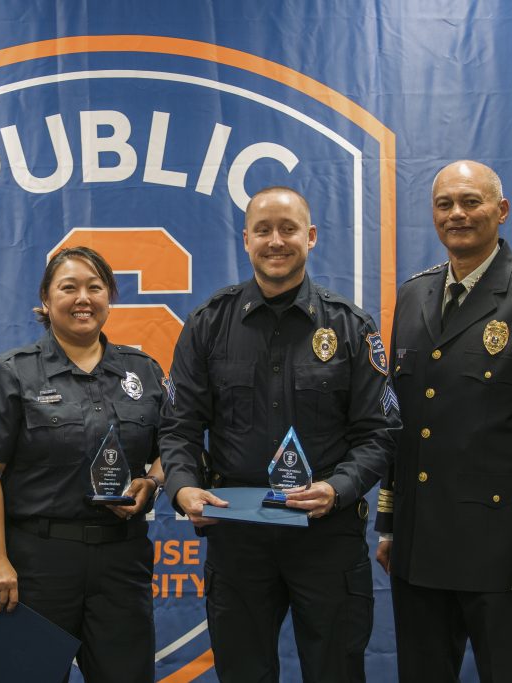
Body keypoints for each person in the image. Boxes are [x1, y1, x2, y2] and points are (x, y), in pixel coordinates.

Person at [159, 186, 400, 683]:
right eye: (263, 230)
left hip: (326, 535)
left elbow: (380, 432)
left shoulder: (350, 327)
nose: (276, 241)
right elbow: (179, 427)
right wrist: (182, 488)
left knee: (336, 672)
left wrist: (340, 487)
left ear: (310, 237)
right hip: (239, 538)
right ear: (245, 240)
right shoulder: (208, 325)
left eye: (288, 229)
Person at [374, 160, 512, 682]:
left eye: (471, 202)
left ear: (502, 210)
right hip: (419, 546)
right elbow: (399, 418)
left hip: (501, 554)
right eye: (445, 204)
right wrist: (388, 520)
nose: (457, 214)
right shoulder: (412, 294)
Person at [0, 246, 166, 682]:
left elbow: (171, 448)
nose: (83, 298)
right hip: (37, 561)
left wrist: (152, 482)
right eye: (68, 287)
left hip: (121, 560)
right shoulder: (11, 373)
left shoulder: (144, 372)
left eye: (95, 287)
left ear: (109, 297)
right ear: (45, 298)